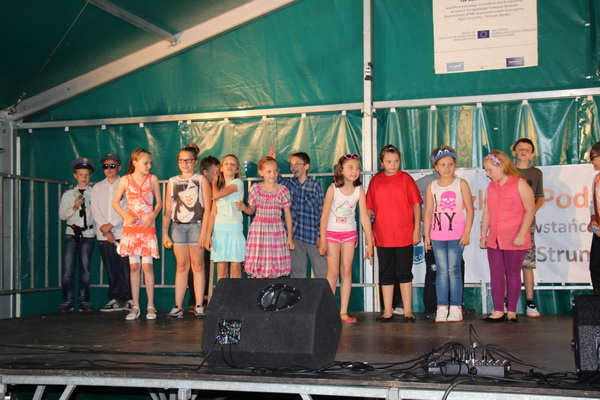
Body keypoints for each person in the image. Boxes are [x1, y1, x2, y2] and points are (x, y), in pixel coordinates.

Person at [366, 144, 422, 323]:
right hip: (383, 236)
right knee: (386, 274)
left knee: (405, 273)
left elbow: (416, 205)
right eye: (389, 161)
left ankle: (408, 311)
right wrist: (369, 235)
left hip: (404, 235)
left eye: (396, 161)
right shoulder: (375, 181)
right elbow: (368, 209)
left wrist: (416, 230)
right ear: (382, 163)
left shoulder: (406, 179)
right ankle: (387, 311)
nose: (393, 164)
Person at [480, 150, 535, 323]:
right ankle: (498, 310)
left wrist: (522, 233)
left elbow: (530, 210)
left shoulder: (520, 184)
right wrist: (483, 235)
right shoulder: (491, 187)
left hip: (514, 237)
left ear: (501, 166)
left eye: (490, 170)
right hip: (495, 238)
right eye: (486, 170)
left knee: (513, 273)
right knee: (496, 273)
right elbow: (487, 212)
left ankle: (511, 311)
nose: (488, 174)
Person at [319, 153, 374, 323]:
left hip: (349, 233)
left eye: (357, 168)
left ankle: (343, 312)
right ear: (341, 170)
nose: (354, 171)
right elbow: (324, 216)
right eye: (350, 167)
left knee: (347, 271)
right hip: (332, 233)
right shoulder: (333, 189)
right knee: (333, 272)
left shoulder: (359, 190)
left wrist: (370, 242)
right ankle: (328, 311)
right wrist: (323, 240)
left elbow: (364, 217)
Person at [423, 146, 474, 323]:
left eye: (450, 164)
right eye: (443, 165)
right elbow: (428, 212)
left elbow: (470, 209)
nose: (447, 168)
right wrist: (427, 235)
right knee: (441, 272)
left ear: (455, 165)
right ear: (436, 167)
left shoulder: (461, 183)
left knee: (454, 271)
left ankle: (456, 307)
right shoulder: (432, 186)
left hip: (456, 235)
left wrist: (467, 231)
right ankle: (442, 307)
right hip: (437, 236)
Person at [113, 148, 162, 321]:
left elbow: (159, 202)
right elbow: (115, 202)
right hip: (131, 228)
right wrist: (125, 216)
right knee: (134, 267)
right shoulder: (125, 180)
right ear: (135, 163)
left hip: (147, 227)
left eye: (150, 163)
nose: (149, 166)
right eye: (145, 163)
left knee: (147, 266)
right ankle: (135, 306)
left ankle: (150, 305)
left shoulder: (152, 179)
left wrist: (153, 215)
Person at [163, 144, 212, 319]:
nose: (185, 163)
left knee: (198, 266)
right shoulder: (172, 182)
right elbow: (168, 209)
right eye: (182, 160)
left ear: (195, 162)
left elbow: (208, 208)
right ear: (178, 162)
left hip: (196, 226)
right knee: (182, 266)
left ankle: (199, 305)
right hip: (177, 227)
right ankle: (178, 306)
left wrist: (204, 233)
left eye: (189, 160)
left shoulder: (201, 180)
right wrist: (164, 232)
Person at [268, 145, 328, 279]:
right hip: (295, 236)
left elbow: (321, 212)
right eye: (291, 164)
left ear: (306, 166)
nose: (293, 167)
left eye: (297, 163)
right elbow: (275, 179)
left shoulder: (315, 186)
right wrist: (272, 161)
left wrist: (321, 236)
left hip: (313, 236)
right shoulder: (289, 184)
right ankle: (300, 294)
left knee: (321, 272)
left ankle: (323, 294)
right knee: (297, 274)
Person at [237, 156, 294, 278]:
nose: (272, 174)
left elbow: (288, 214)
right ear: (261, 172)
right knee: (258, 272)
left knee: (274, 270)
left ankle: (272, 290)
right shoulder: (255, 189)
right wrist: (244, 208)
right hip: (259, 232)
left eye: (275, 171)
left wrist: (289, 237)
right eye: (269, 171)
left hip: (276, 232)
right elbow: (251, 211)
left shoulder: (283, 190)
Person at [90, 153, 132, 312]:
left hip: (123, 232)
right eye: (106, 166)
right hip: (104, 234)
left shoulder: (126, 184)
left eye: (112, 166)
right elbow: (95, 210)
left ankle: (128, 298)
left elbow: (127, 207)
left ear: (119, 168)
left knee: (126, 267)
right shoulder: (97, 187)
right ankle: (115, 298)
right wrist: (105, 229)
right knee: (111, 267)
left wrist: (112, 225)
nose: (109, 169)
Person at [58, 157, 97, 313]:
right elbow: (62, 216)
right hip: (71, 234)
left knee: (85, 270)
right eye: (81, 175)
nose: (84, 178)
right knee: (67, 270)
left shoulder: (94, 193)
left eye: (87, 175)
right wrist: (74, 207)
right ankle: (68, 300)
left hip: (88, 234)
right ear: (75, 176)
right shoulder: (68, 194)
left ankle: (83, 300)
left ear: (90, 176)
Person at [511, 138, 544, 317]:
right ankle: (507, 303)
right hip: (508, 225)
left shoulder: (536, 173)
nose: (523, 151)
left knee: (527, 264)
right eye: (520, 148)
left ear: (532, 155)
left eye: (527, 149)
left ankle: (530, 302)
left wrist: (530, 212)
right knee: (509, 266)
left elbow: (540, 197)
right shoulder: (507, 171)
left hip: (527, 225)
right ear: (513, 152)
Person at [187, 155, 220, 312]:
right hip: (199, 228)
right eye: (215, 172)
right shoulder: (198, 185)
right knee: (195, 265)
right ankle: (195, 300)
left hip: (215, 229)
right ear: (205, 172)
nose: (217, 175)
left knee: (204, 265)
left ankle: (205, 299)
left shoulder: (218, 187)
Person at [204, 154, 245, 280]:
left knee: (236, 270)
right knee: (222, 271)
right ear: (221, 168)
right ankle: (222, 293)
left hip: (234, 230)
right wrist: (208, 235)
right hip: (219, 231)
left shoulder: (237, 183)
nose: (229, 166)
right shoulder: (219, 188)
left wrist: (214, 183)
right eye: (226, 163)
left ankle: (236, 294)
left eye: (233, 164)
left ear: (237, 170)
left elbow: (216, 196)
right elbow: (212, 214)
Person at [588, 141, 600, 294]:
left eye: (593, 157)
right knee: (595, 268)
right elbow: (593, 203)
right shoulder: (597, 178)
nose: (591, 161)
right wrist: (593, 219)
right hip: (598, 231)